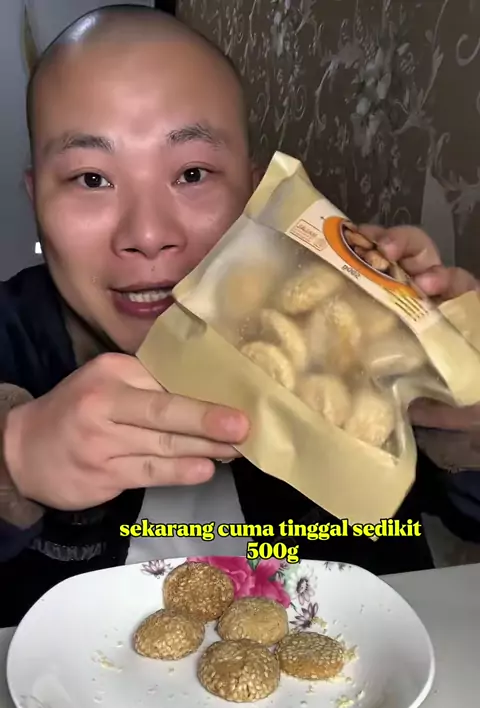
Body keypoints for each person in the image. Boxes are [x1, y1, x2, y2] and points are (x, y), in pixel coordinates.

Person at [1, 4, 480, 627]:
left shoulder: (328, 333)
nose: (147, 235)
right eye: (92, 179)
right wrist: (14, 457)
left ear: (255, 195)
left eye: (192, 173)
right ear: (36, 200)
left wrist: (457, 413)